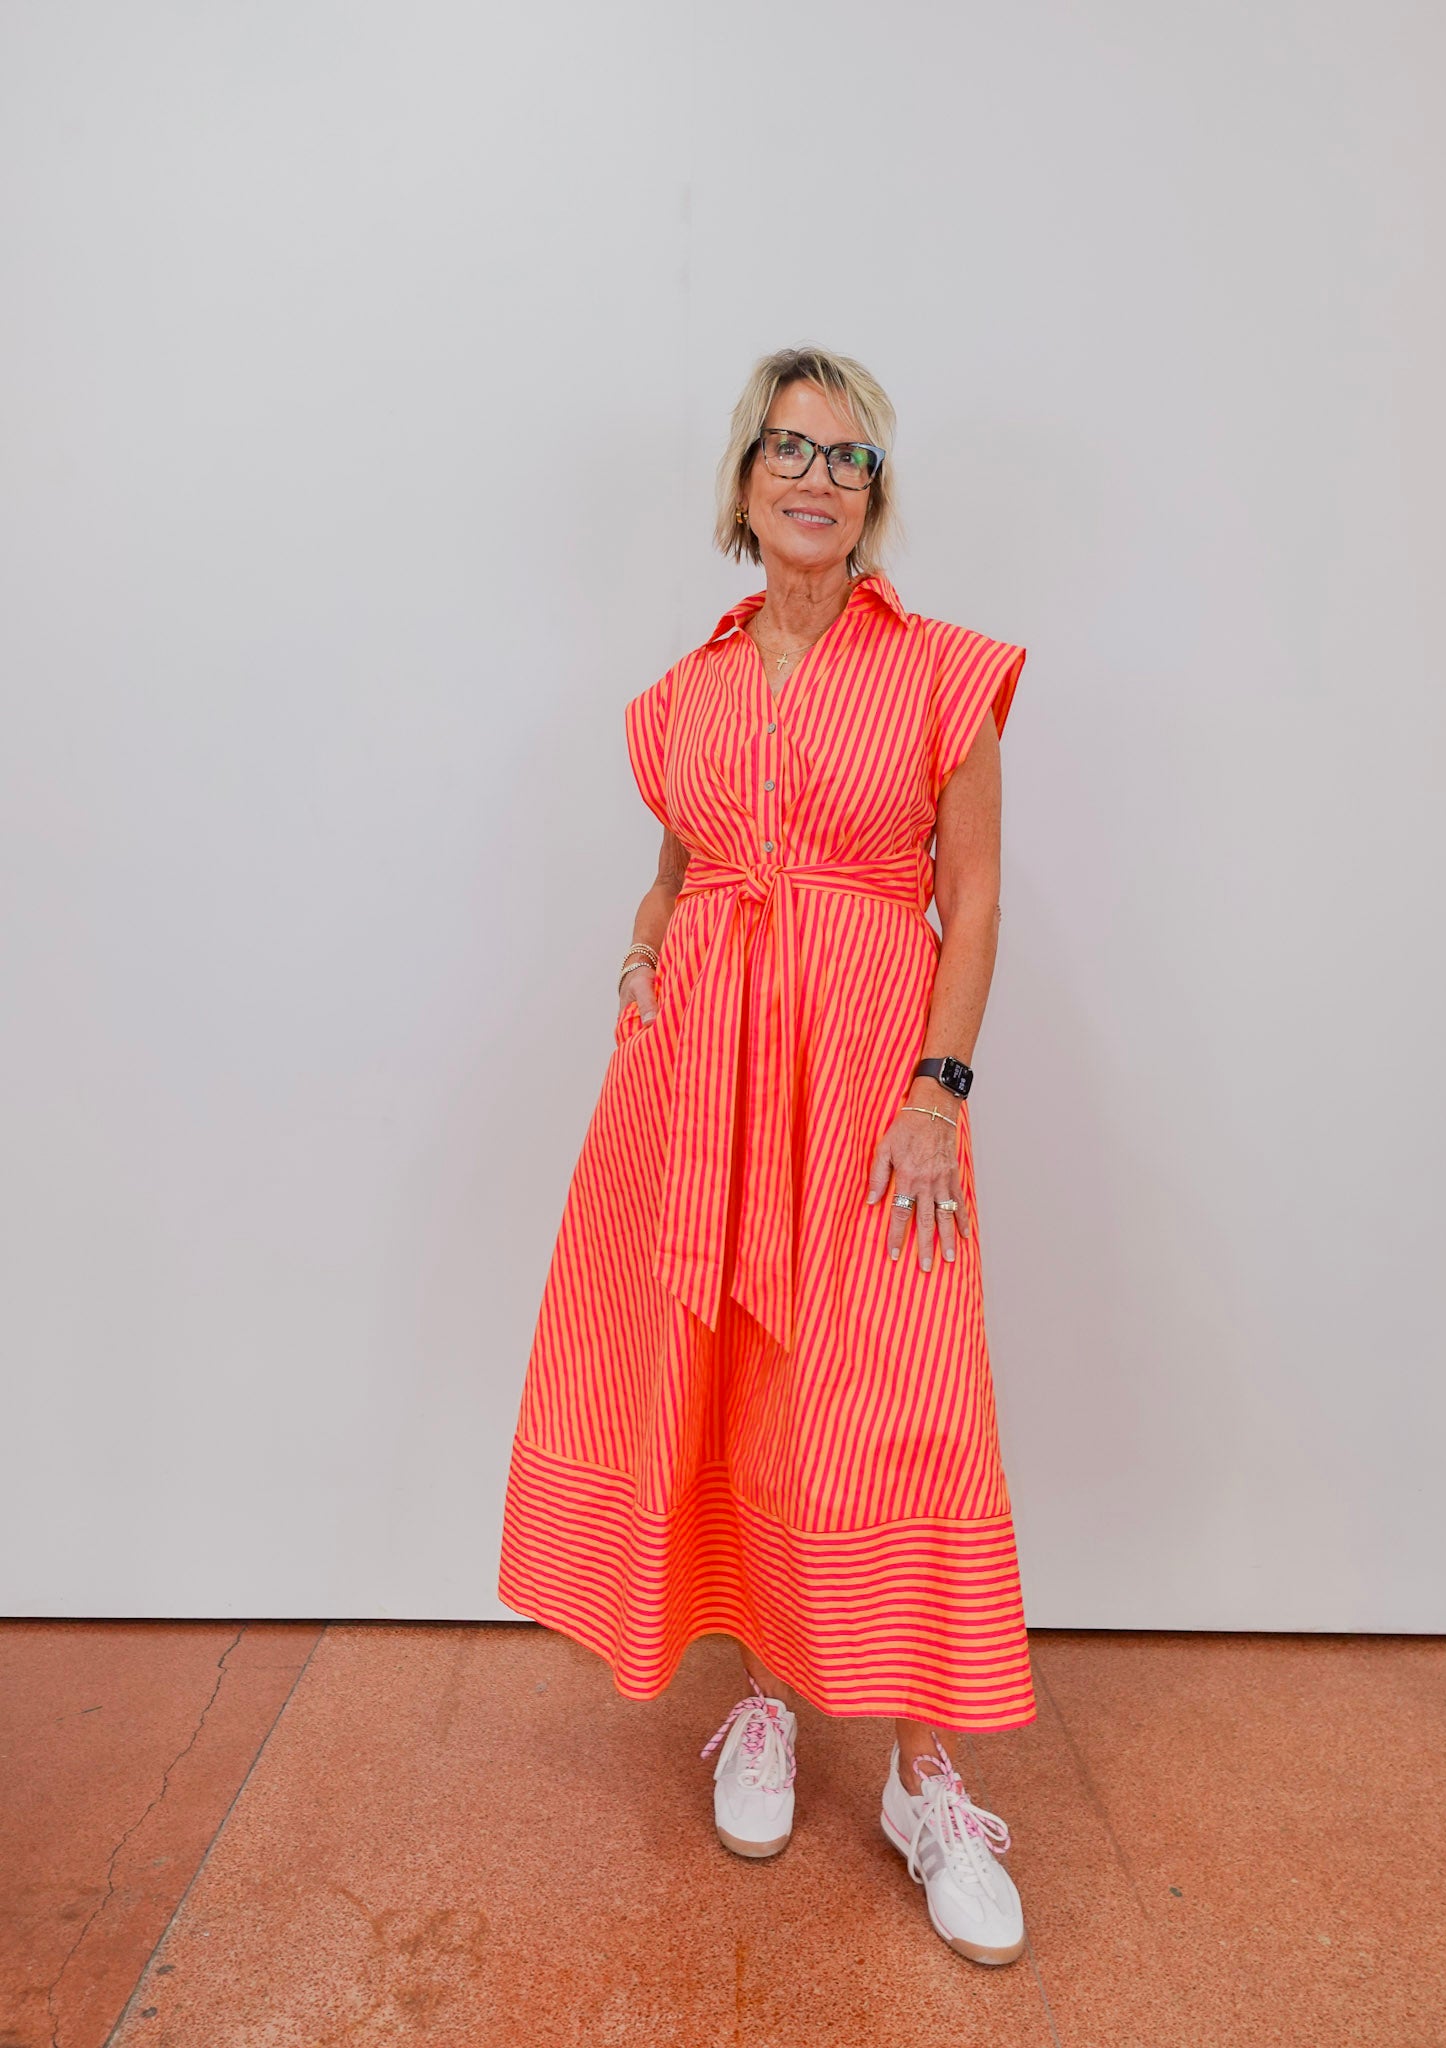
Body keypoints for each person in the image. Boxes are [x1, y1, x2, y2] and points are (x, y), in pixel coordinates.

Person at [499, 344, 1035, 1966]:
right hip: (705, 1085)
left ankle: (927, 1776)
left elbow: (978, 895)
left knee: (901, 1400)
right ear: (743, 483)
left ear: (876, 495)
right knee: (740, 1380)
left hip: (873, 1077)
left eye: (848, 455)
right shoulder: (687, 692)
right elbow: (683, 859)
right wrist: (651, 935)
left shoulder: (944, 669)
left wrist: (940, 1086)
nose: (817, 477)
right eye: (789, 450)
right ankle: (766, 1710)